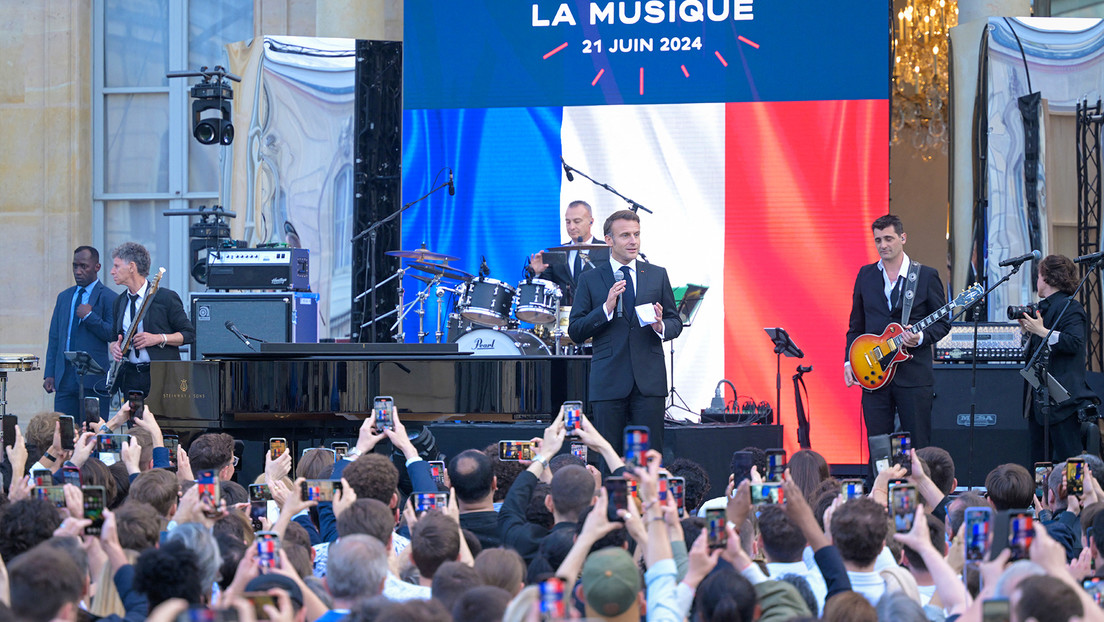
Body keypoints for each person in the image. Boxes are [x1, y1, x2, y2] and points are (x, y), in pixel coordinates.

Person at [568, 209, 682, 455]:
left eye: (636, 234)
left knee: (649, 459)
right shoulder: (590, 279)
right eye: (625, 235)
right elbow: (576, 330)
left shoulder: (657, 275)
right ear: (609, 240)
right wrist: (605, 309)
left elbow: (676, 321)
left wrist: (660, 326)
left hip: (649, 383)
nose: (633, 241)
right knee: (610, 457)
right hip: (609, 383)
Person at [845, 214, 950, 449]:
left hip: (913, 377)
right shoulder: (865, 275)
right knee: (878, 446)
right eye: (878, 240)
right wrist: (849, 361)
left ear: (903, 238)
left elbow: (943, 323)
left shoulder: (926, 276)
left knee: (917, 447)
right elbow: (856, 326)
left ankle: (917, 475)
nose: (883, 245)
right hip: (874, 374)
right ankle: (879, 475)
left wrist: (919, 337)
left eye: (889, 238)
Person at [1017, 254, 1099, 463]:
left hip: (1063, 403)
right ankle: (1040, 487)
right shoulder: (1042, 309)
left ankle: (1075, 487)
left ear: (1046, 277)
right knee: (1039, 462)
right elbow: (1033, 353)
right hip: (1039, 402)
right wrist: (1028, 332)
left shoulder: (1071, 307)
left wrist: (1041, 331)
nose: (1037, 281)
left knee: (1069, 462)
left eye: (1038, 276)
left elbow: (1075, 342)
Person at [108, 241, 195, 399]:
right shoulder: (119, 302)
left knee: (161, 416)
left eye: (117, 266)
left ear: (132, 267)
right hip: (131, 377)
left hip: (163, 377)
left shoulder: (165, 298)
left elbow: (189, 334)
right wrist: (114, 347)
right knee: (133, 416)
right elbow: (114, 338)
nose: (112, 271)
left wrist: (158, 338)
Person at [44, 246, 117, 423]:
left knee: (93, 431)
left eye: (84, 266)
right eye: (75, 266)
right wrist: (50, 373)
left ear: (97, 267)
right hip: (64, 378)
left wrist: (90, 317)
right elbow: (55, 338)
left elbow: (112, 333)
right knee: (65, 431)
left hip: (93, 379)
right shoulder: (64, 297)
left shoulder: (109, 297)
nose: (78, 271)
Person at [528, 200, 610, 305]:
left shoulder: (607, 250)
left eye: (577, 221)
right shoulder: (557, 252)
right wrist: (537, 273)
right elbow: (545, 289)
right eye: (568, 222)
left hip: (597, 312)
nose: (571, 227)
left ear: (591, 221)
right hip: (564, 313)